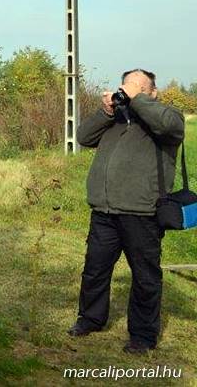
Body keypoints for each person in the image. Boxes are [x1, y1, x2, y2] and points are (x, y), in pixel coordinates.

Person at [68, 69, 184, 354]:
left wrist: (137, 99)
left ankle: (142, 336)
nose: (130, 91)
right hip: (104, 210)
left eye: (139, 87)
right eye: (127, 86)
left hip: (142, 213)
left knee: (145, 277)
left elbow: (169, 126)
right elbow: (83, 136)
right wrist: (106, 111)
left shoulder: (168, 116)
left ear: (153, 92)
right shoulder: (117, 119)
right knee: (95, 270)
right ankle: (90, 319)